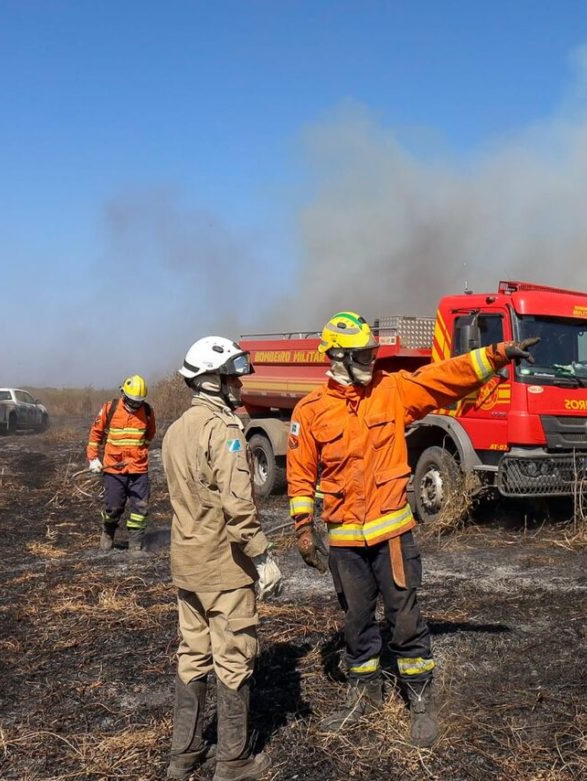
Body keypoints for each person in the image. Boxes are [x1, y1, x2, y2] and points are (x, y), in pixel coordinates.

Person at [286, 311, 538, 747]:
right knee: (356, 622)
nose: (371, 361)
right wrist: (304, 529)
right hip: (345, 542)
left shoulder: (391, 391)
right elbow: (300, 473)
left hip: (392, 536)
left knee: (404, 618)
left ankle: (420, 699)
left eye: (371, 353)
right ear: (338, 356)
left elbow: (445, 378)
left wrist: (497, 355)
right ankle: (363, 695)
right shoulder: (310, 411)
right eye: (363, 355)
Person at [162, 336, 283, 781]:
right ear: (212, 380)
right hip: (224, 569)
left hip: (187, 565)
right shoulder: (225, 430)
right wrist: (262, 556)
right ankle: (233, 762)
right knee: (234, 657)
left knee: (192, 655)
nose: (239, 384)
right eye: (233, 377)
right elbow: (238, 506)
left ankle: (184, 755)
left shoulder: (175, 430)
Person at [86, 375, 156, 555]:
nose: (135, 405)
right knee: (114, 506)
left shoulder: (147, 411)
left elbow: (149, 436)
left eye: (138, 402)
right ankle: (108, 533)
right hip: (114, 469)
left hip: (138, 469)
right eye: (132, 401)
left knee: (140, 507)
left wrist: (138, 453)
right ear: (124, 394)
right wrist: (93, 458)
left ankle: (136, 544)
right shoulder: (110, 408)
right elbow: (95, 434)